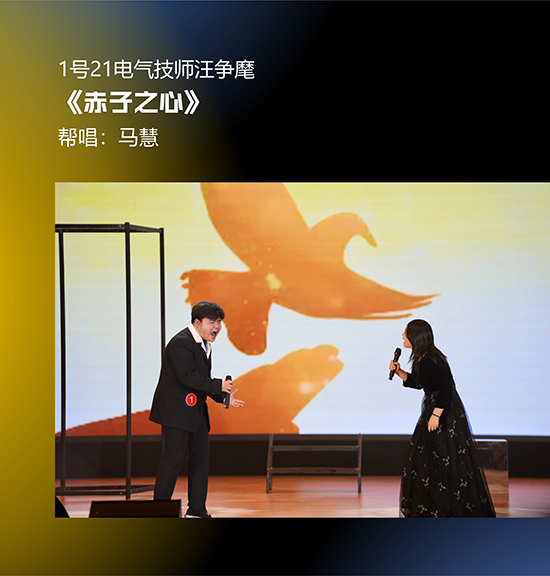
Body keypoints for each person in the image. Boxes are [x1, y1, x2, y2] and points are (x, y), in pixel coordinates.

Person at [389, 319, 495, 517]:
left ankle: (449, 509)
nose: (403, 336)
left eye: (405, 332)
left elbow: (447, 387)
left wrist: (436, 415)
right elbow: (420, 383)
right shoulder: (422, 358)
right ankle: (433, 509)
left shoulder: (432, 359)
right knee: (425, 458)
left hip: (443, 412)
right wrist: (399, 372)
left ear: (415, 336)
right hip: (433, 408)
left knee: (443, 459)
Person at [149, 301, 244, 517]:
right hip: (176, 412)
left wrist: (222, 396)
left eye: (219, 322)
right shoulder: (181, 343)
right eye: (212, 322)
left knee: (200, 460)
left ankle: (197, 511)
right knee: (172, 460)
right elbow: (187, 376)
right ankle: (159, 512)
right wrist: (219, 385)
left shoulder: (204, 344)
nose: (217, 327)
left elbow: (201, 380)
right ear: (197, 322)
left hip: (196, 412)